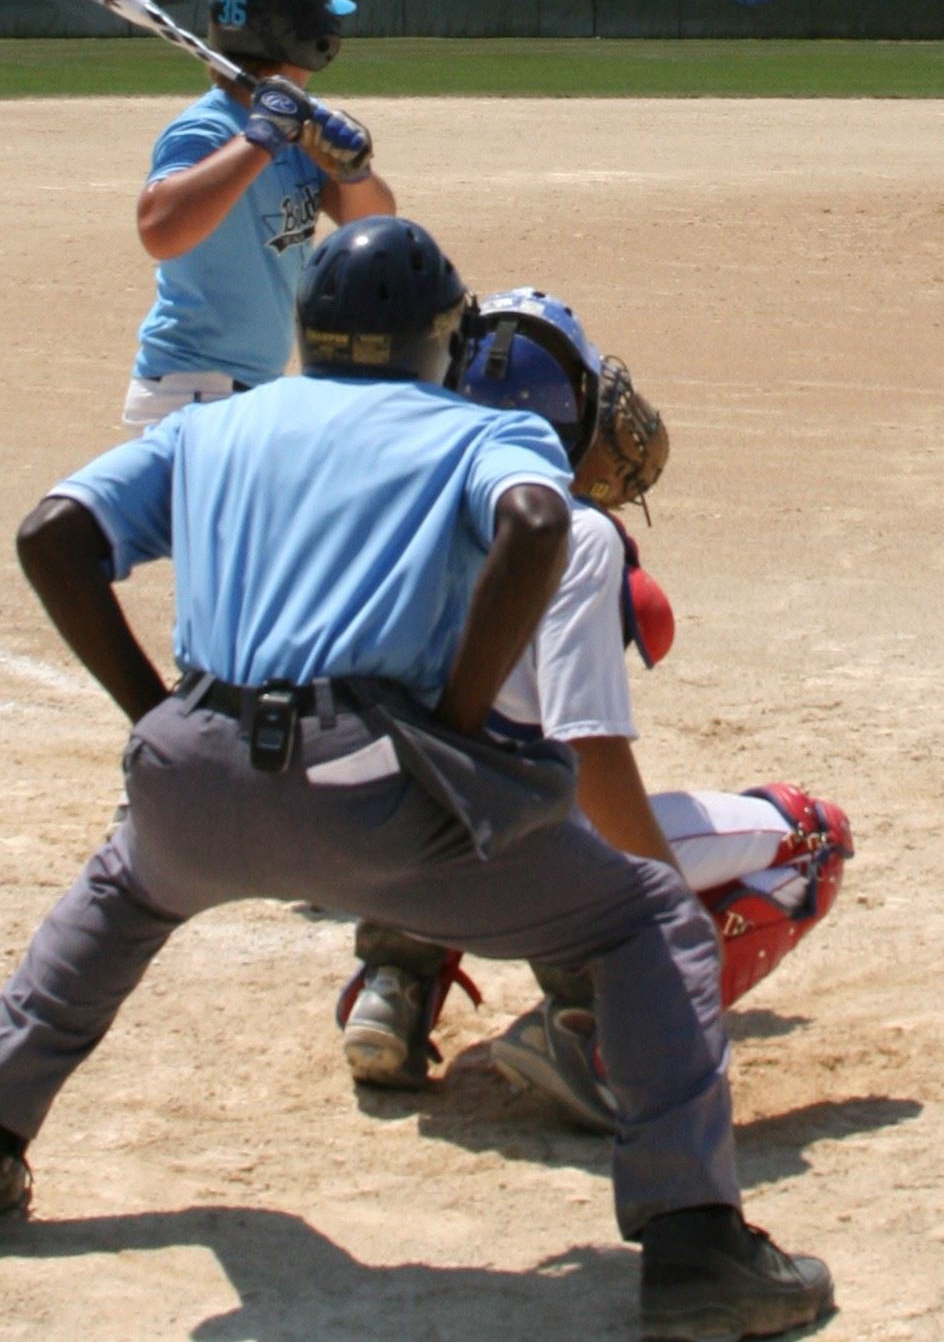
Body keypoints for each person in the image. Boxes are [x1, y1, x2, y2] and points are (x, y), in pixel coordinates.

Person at [0, 219, 834, 1342]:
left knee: (124, 893)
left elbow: (53, 532)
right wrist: (460, 718)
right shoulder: (473, 430)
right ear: (441, 340)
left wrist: (156, 718)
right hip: (380, 782)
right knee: (643, 919)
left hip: (196, 765)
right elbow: (538, 521)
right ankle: (696, 1245)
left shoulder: (218, 424)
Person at [336, 289, 853, 1134]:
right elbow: (591, 761)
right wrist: (665, 929)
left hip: (379, 862)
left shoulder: (391, 510)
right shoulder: (575, 538)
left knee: (435, 766)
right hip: (521, 876)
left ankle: (393, 985)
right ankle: (598, 1041)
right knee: (810, 838)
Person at [123, 0, 396, 429]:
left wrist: (352, 172)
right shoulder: (207, 129)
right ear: (315, 41)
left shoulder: (298, 125)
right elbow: (158, 230)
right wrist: (260, 140)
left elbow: (375, 227)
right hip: (193, 391)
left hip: (242, 390)